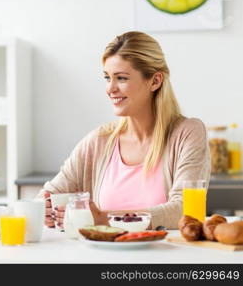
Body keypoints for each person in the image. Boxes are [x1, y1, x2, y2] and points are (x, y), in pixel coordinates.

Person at [42, 31, 210, 230]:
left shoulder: (187, 133)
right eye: (107, 78)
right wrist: (45, 209)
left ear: (155, 81)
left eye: (121, 78)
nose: (110, 88)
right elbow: (49, 195)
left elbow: (184, 211)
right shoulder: (99, 140)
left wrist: (104, 218)